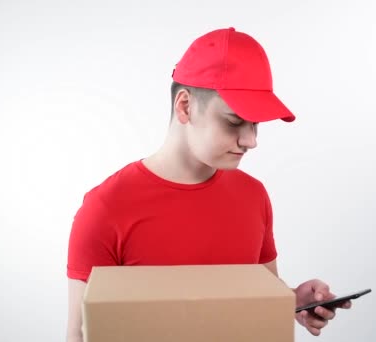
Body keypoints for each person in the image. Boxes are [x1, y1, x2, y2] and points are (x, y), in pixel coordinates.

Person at [66, 27, 352, 342]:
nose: (251, 141)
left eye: (255, 124)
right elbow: (81, 334)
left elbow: (254, 300)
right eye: (233, 122)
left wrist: (291, 301)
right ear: (185, 106)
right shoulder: (106, 209)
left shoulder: (253, 195)